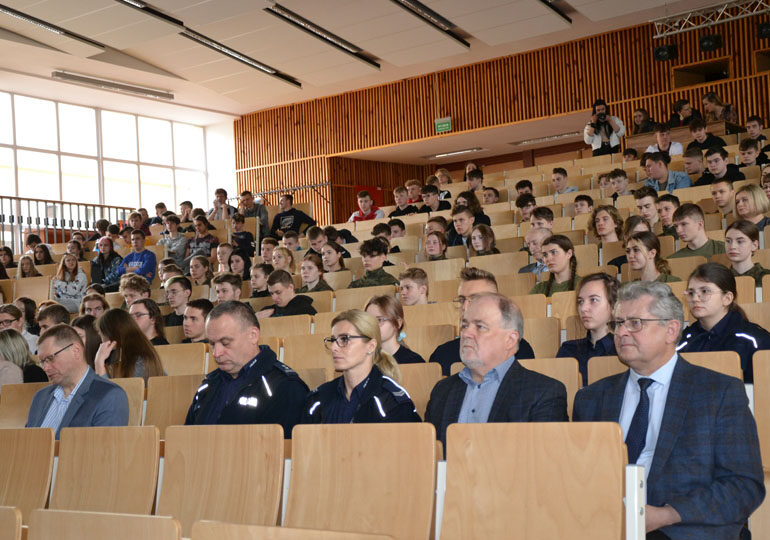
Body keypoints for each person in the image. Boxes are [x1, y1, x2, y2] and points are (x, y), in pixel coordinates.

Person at [573, 281, 764, 538]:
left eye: (635, 323)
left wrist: (668, 515)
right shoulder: (591, 398)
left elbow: (744, 487)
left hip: (687, 529)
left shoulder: (719, 393)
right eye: (618, 323)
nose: (621, 333)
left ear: (671, 330)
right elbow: (577, 478)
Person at [425, 292, 568, 448]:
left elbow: (542, 459)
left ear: (510, 340)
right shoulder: (442, 391)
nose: (466, 334)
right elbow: (428, 455)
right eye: (465, 325)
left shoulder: (544, 393)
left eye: (480, 327)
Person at [185, 301, 308, 434]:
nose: (216, 353)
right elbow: (186, 439)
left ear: (253, 335)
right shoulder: (208, 385)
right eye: (212, 344)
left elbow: (282, 445)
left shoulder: (286, 387)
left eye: (225, 343)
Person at [301, 309, 420, 423]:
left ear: (371, 346)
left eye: (344, 339)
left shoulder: (391, 401)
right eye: (332, 340)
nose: (333, 347)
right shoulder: (318, 399)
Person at [26, 324, 129, 439]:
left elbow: (104, 448)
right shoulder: (40, 397)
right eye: (42, 362)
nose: (45, 368)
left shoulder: (109, 396)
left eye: (50, 358)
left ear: (76, 351)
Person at [429, 268, 536, 376]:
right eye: (462, 300)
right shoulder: (442, 355)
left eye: (475, 299)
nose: (465, 307)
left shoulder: (519, 349)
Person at [680, 262, 770, 383]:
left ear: (727, 298)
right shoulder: (683, 340)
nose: (695, 298)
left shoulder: (755, 340)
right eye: (691, 293)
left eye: (705, 291)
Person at [556, 274, 618, 386]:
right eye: (581, 301)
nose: (583, 308)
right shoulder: (568, 350)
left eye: (593, 300)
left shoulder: (623, 351)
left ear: (613, 306)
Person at [94, 308, 164, 382]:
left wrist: (99, 363)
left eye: (101, 335)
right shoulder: (142, 351)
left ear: (111, 335)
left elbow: (109, 390)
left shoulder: (139, 360)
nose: (102, 341)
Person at [365, 295, 424, 364]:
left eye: (380, 320)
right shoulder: (362, 360)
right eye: (369, 320)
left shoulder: (414, 361)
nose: (373, 325)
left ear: (398, 323)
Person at [725, 220, 770, 286]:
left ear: (754, 245)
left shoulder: (767, 277)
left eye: (740, 241)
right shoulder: (719, 279)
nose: (732, 247)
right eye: (728, 241)